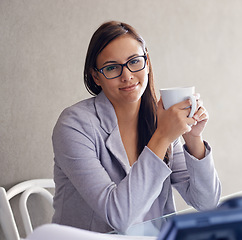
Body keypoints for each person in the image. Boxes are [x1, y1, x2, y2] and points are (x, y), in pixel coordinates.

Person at [51, 21, 221, 233]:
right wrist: (162, 137)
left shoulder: (159, 117)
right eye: (112, 67)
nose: (127, 75)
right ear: (96, 77)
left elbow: (207, 203)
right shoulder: (74, 125)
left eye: (134, 61)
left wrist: (193, 138)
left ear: (147, 63)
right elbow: (119, 216)